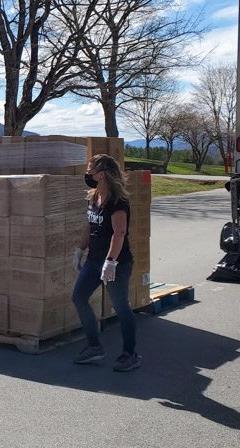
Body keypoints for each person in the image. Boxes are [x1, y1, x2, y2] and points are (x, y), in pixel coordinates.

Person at [70, 153, 140, 372]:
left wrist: (111, 261)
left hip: (116, 262)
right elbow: (90, 226)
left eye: (91, 170)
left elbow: (119, 232)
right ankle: (94, 346)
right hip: (93, 260)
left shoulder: (118, 201)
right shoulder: (93, 197)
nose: (87, 174)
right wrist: (80, 249)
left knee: (120, 307)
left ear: (102, 174)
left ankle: (130, 353)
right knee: (79, 297)